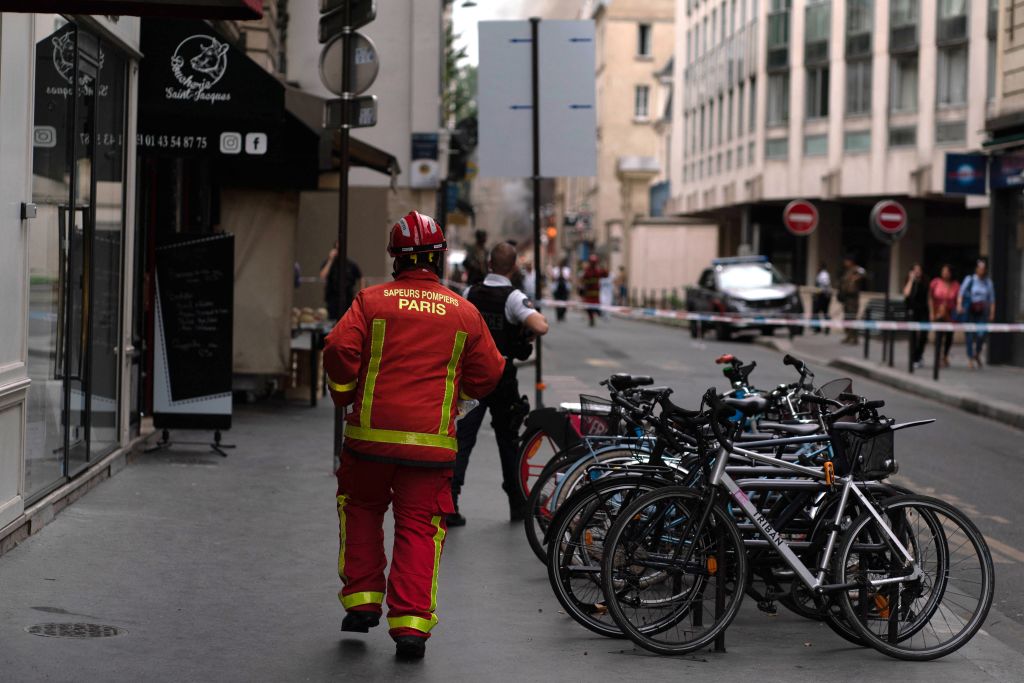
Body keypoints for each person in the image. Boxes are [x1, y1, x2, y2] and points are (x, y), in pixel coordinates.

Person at [323, 211, 505, 660]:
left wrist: (345, 395)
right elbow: (490, 372)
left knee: (362, 510)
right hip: (430, 447)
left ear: (395, 260)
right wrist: (457, 392)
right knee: (420, 530)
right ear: (440, 259)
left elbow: (337, 348)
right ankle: (410, 628)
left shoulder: (370, 301)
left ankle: (363, 602)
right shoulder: (463, 311)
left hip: (368, 442)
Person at [451, 242, 549, 526]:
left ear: (489, 265)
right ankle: (517, 504)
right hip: (502, 379)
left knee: (463, 439)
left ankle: (449, 503)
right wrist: (524, 332)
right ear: (514, 266)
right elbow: (541, 326)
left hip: (472, 378)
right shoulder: (514, 298)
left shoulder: (470, 293)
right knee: (508, 440)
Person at [958, 258, 996, 369]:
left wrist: (992, 313)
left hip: (982, 311)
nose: (982, 271)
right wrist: (959, 305)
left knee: (981, 334)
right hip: (970, 310)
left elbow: (992, 299)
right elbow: (961, 293)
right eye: (980, 269)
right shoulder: (970, 279)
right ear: (976, 269)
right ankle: (970, 358)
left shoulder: (988, 282)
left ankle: (977, 354)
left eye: (983, 269)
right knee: (969, 335)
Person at [320, 241, 363, 321]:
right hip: (332, 298)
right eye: (337, 249)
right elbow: (323, 275)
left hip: (348, 298)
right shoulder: (329, 263)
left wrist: (360, 292)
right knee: (332, 321)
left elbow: (360, 277)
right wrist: (330, 260)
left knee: (347, 320)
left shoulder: (351, 264)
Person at [929, 264, 959, 368]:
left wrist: (958, 308)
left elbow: (958, 299)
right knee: (938, 336)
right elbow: (930, 298)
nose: (945, 273)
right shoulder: (935, 282)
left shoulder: (955, 285)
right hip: (938, 313)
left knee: (949, 336)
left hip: (950, 314)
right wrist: (932, 313)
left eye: (947, 271)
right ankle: (937, 357)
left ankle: (945, 356)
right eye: (943, 271)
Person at [902, 263, 929, 368]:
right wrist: (911, 280)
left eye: (919, 270)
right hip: (912, 311)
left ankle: (919, 355)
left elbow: (929, 298)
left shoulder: (925, 282)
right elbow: (906, 293)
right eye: (915, 270)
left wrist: (931, 313)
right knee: (913, 336)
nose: (917, 272)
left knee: (923, 335)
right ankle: (914, 358)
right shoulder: (909, 282)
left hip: (923, 311)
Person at [837, 256, 866, 345]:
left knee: (852, 317)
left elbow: (864, 273)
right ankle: (848, 336)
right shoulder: (847, 271)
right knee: (847, 318)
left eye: (847, 261)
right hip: (846, 298)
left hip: (853, 299)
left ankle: (854, 338)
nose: (845, 263)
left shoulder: (856, 269)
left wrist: (856, 277)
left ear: (851, 261)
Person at [580, 254, 607, 327]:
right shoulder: (587, 270)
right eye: (592, 262)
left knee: (595, 306)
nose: (593, 264)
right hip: (589, 292)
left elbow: (605, 274)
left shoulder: (597, 270)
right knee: (589, 308)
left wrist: (603, 268)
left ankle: (598, 314)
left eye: (594, 262)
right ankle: (592, 318)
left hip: (595, 293)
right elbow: (583, 279)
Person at [812, 262, 832, 334]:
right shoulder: (822, 274)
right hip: (823, 295)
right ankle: (819, 327)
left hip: (823, 296)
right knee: (821, 312)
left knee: (821, 311)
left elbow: (825, 284)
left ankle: (821, 328)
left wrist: (819, 291)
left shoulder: (824, 274)